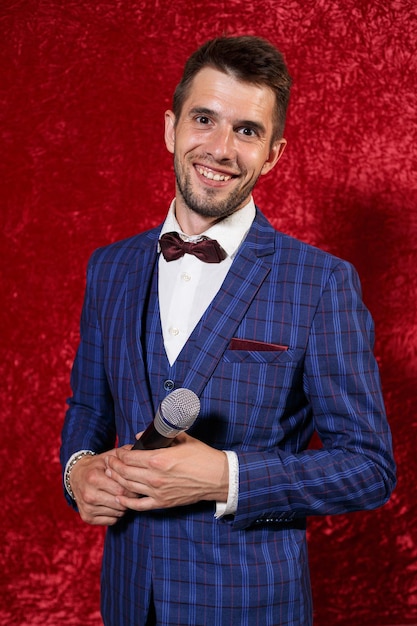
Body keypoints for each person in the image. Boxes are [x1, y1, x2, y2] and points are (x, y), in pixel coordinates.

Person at [60, 35, 396, 626]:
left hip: (252, 606)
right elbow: (88, 406)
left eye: (246, 130)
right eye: (204, 119)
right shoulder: (108, 268)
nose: (220, 148)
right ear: (171, 128)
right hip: (127, 601)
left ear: (273, 154)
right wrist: (79, 469)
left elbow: (369, 467)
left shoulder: (322, 283)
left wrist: (227, 477)